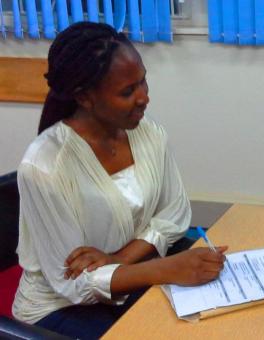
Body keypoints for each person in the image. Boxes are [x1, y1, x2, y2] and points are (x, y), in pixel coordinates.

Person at [12, 22, 227, 339]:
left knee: (217, 320)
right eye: (128, 91)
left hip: (130, 276)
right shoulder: (45, 167)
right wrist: (164, 268)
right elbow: (75, 283)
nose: (144, 99)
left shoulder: (149, 133)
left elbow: (173, 215)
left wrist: (119, 259)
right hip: (61, 307)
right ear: (85, 97)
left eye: (144, 83)